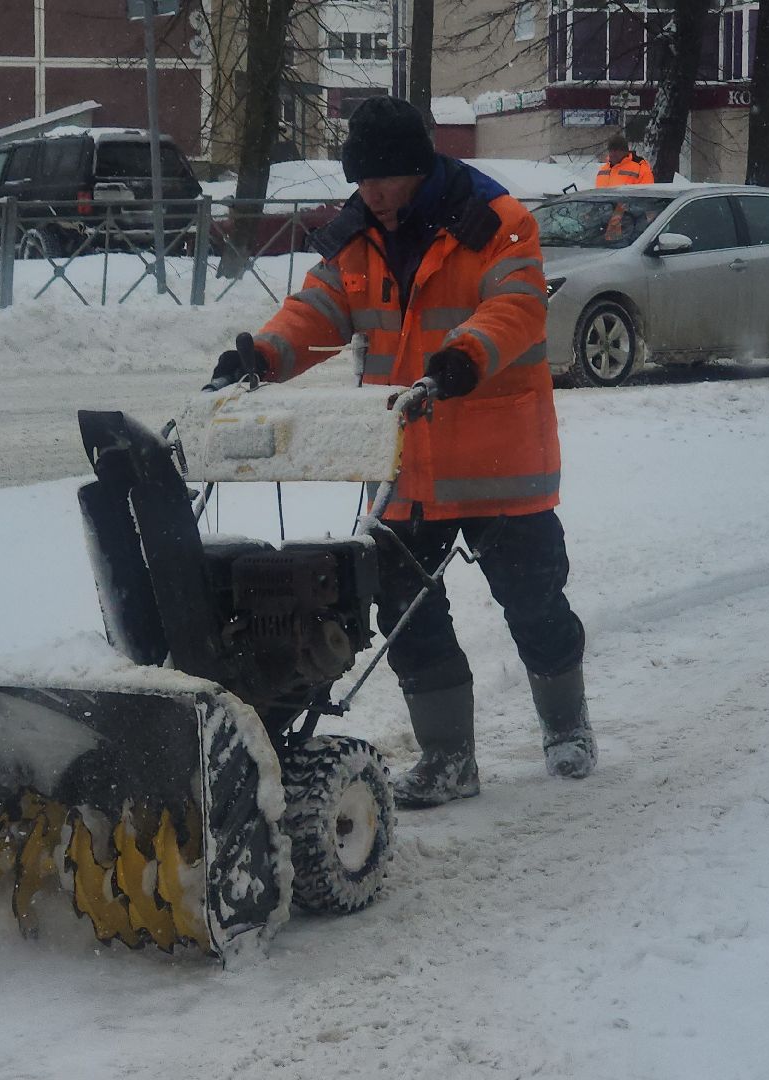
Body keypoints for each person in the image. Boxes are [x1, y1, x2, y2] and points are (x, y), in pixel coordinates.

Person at [208, 95, 594, 808]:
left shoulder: (496, 221)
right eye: (363, 181)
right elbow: (319, 309)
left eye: (385, 180)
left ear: (419, 169)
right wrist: (262, 355)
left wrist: (463, 357)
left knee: (534, 600)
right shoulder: (359, 234)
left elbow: (515, 306)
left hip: (497, 458)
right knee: (405, 610)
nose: (374, 194)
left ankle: (566, 725)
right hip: (405, 462)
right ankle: (449, 757)